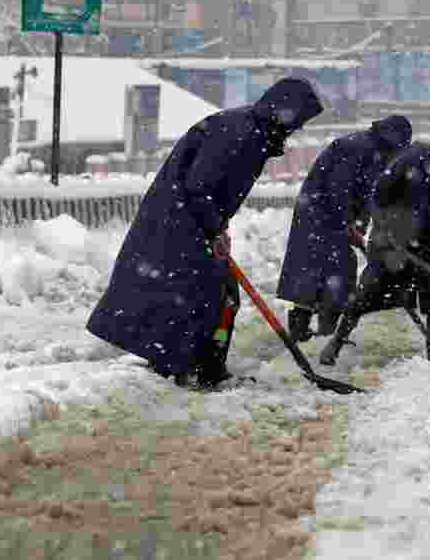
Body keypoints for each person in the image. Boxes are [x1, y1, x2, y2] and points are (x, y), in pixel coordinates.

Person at [87, 78, 323, 388]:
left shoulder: (251, 130)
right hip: (180, 225)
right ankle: (187, 365)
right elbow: (199, 186)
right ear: (284, 110)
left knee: (219, 296)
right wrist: (212, 228)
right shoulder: (240, 133)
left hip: (190, 222)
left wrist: (219, 227)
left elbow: (213, 190)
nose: (298, 129)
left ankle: (200, 365)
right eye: (299, 119)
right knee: (202, 296)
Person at [318, 137, 430, 365]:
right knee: (368, 292)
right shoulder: (414, 161)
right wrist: (383, 226)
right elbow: (378, 195)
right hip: (394, 237)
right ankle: (337, 339)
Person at [277, 115, 413, 343]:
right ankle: (303, 327)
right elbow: (338, 189)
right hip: (319, 215)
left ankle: (325, 329)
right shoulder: (355, 147)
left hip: (336, 218)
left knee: (337, 271)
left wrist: (360, 224)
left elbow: (369, 193)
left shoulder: (379, 153)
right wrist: (347, 221)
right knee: (314, 270)